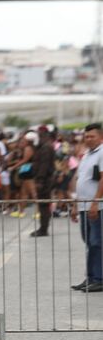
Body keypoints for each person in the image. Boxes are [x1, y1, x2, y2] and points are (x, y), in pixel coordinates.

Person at [71, 123, 103, 293]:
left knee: (97, 242)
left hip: (96, 206)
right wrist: (76, 205)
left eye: (92, 136)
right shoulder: (86, 155)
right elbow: (80, 180)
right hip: (84, 205)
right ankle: (91, 277)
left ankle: (99, 278)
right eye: (87, 136)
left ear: (100, 137)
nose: (88, 139)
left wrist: (95, 202)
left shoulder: (102, 152)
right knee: (89, 243)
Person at [32, 127, 56, 237]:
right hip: (45, 179)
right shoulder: (44, 146)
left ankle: (43, 229)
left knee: (43, 205)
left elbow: (44, 165)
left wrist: (40, 180)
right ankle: (43, 227)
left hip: (45, 180)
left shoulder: (46, 148)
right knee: (43, 205)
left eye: (39, 135)